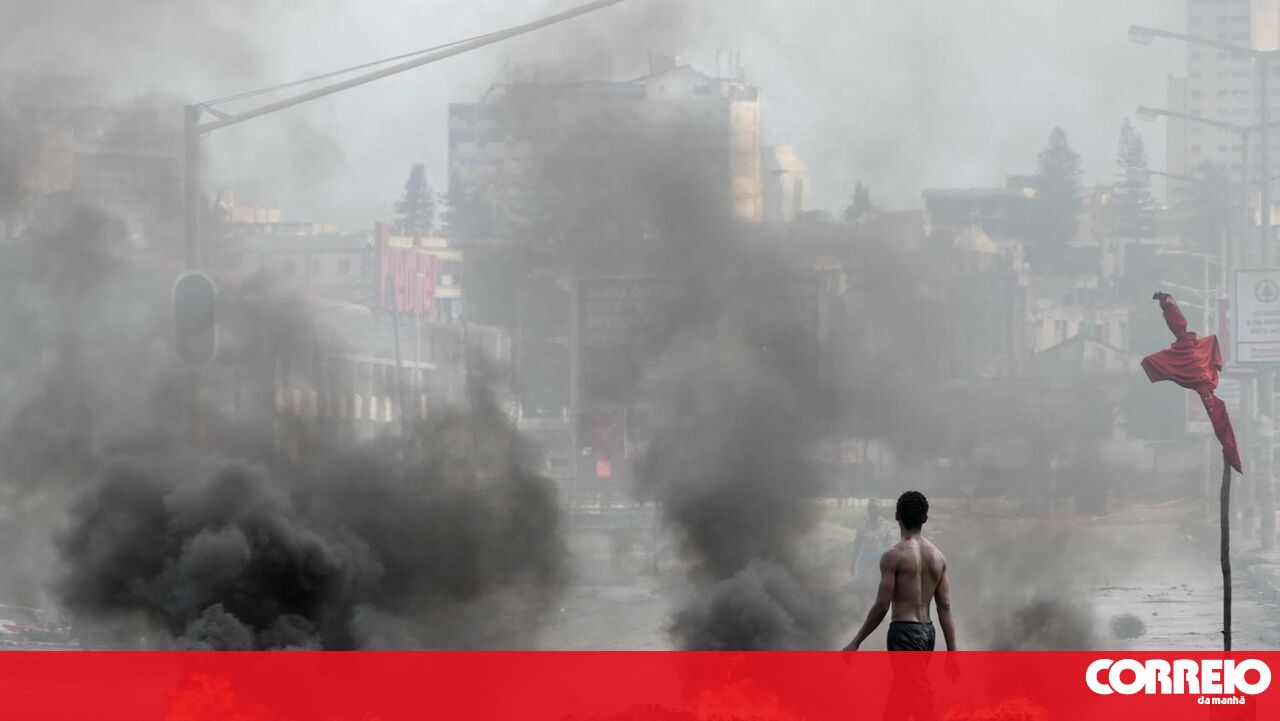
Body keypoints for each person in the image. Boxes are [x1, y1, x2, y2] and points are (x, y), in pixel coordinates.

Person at [843, 491, 955, 653]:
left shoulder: (893, 556)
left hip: (904, 632)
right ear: (925, 518)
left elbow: (882, 606)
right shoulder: (938, 557)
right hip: (928, 632)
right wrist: (952, 651)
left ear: (897, 516)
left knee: (911, 679)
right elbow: (944, 607)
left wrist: (856, 642)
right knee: (910, 678)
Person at [850, 499, 896, 599]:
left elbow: (889, 543)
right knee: (858, 578)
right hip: (865, 553)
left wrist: (887, 558)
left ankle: (880, 593)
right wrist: (853, 562)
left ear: (879, 510)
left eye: (875, 508)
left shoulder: (886, 525)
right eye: (870, 508)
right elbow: (857, 544)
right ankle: (861, 596)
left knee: (881, 576)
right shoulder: (861, 526)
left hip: (879, 552)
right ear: (868, 510)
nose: (872, 511)